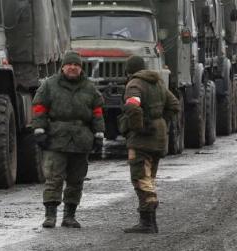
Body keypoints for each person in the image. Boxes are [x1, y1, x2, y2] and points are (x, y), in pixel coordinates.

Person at [32, 50, 105, 229]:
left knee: (76, 180)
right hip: (56, 139)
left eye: (76, 65)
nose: (73, 68)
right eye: (69, 64)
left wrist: (99, 135)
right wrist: (39, 130)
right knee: (53, 178)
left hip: (81, 140)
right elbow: (39, 108)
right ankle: (50, 216)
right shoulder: (49, 85)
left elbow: (97, 113)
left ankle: (69, 216)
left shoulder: (90, 88)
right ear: (63, 67)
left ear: (80, 68)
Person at [119, 56, 180, 234]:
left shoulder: (134, 84)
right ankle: (149, 222)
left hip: (142, 139)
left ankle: (147, 222)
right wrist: (161, 121)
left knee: (140, 177)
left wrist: (138, 127)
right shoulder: (158, 82)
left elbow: (132, 106)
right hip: (159, 137)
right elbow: (174, 105)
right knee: (149, 177)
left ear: (128, 71)